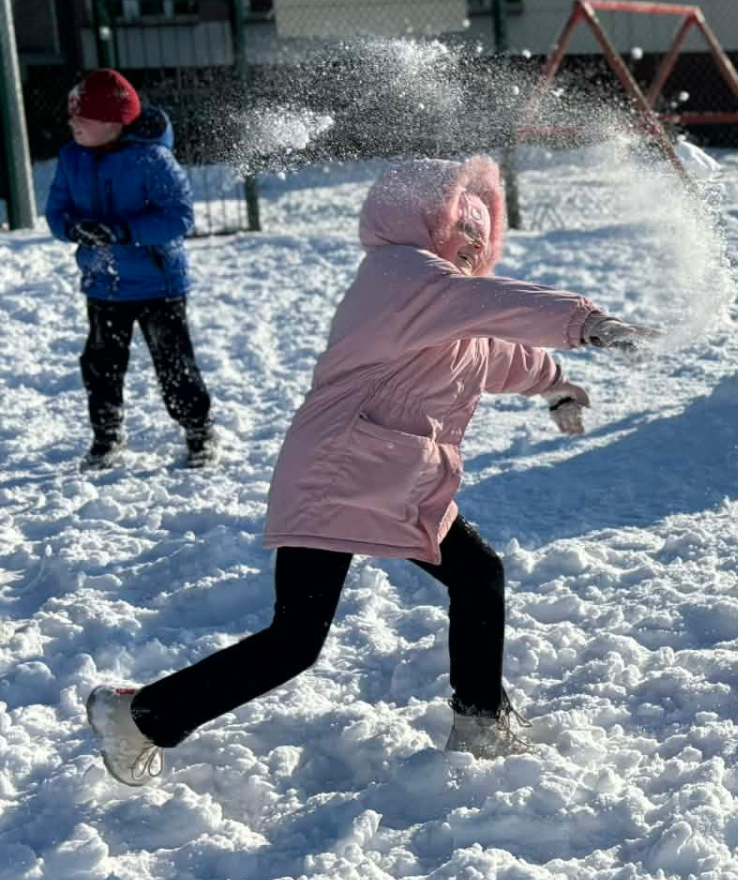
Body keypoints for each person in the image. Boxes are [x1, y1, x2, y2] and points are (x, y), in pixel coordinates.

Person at [84, 156, 654, 785]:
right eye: (459, 230)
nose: (472, 245)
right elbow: (493, 303)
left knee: (477, 575)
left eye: (480, 236)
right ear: (422, 224)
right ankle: (137, 716)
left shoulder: (446, 308)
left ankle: (479, 720)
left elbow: (500, 353)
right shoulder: (399, 276)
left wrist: (556, 386)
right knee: (295, 642)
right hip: (336, 473)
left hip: (396, 480)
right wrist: (588, 323)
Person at [45, 68, 215, 469]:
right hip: (104, 283)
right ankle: (106, 434)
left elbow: (179, 217)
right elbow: (56, 212)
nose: (72, 124)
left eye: (80, 118)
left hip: (158, 283)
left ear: (112, 123)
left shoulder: (153, 159)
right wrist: (74, 228)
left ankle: (198, 430)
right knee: (101, 364)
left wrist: (123, 231)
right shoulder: (72, 158)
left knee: (174, 365)